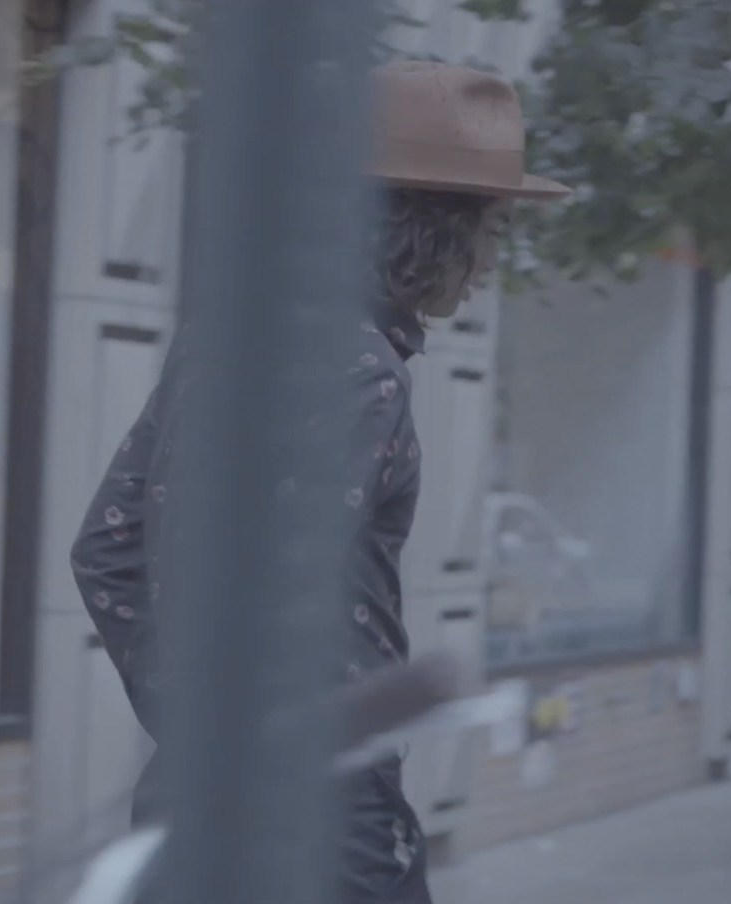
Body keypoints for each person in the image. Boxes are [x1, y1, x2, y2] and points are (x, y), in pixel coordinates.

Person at [68, 61, 569, 903]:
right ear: (430, 227)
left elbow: (106, 550)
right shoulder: (361, 369)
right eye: (489, 228)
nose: (490, 261)